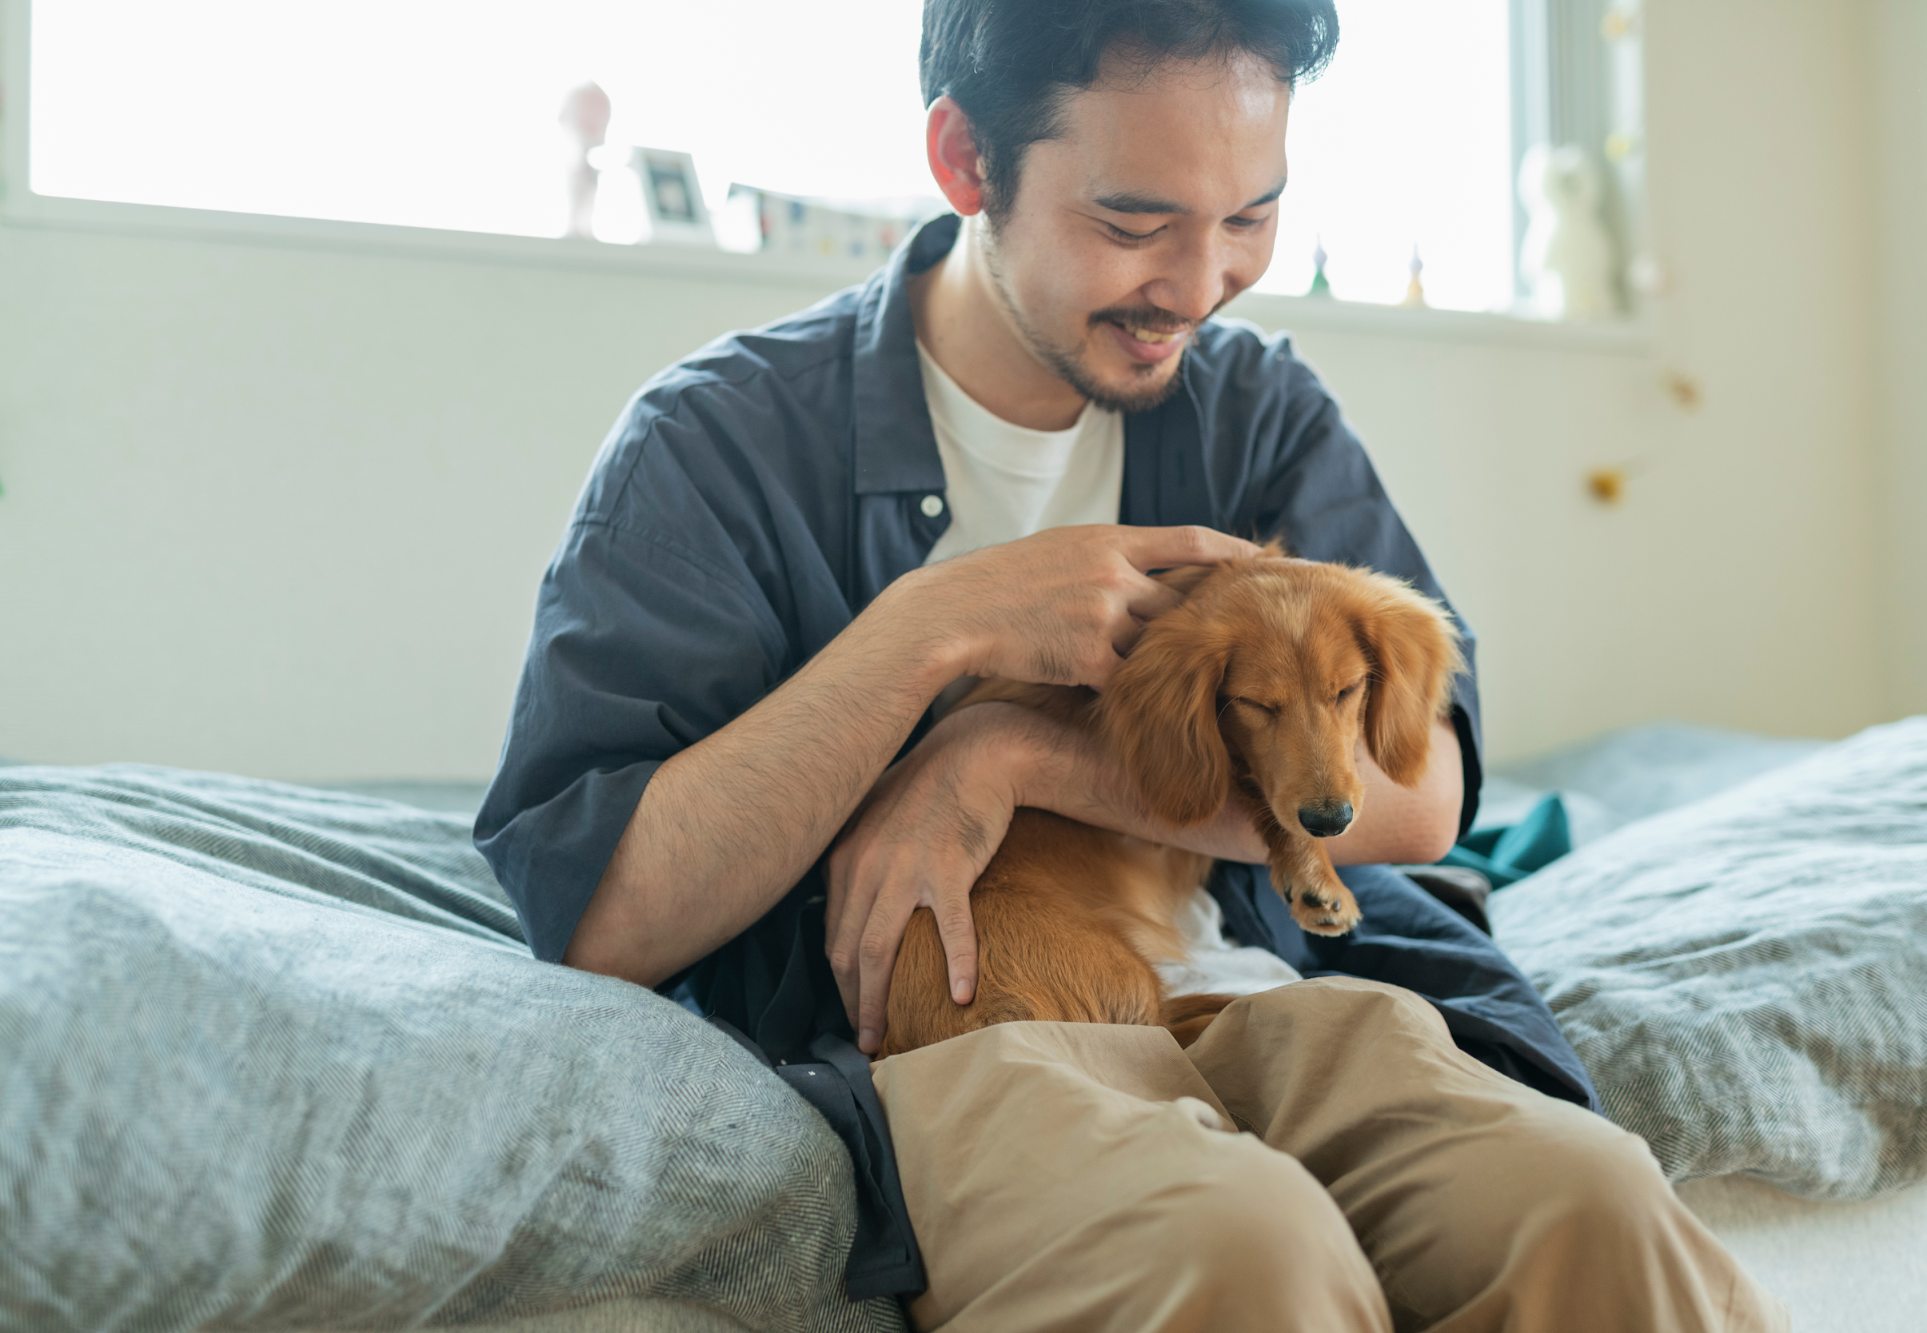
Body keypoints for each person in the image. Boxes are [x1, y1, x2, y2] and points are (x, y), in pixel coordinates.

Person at [477, 1, 1787, 1327]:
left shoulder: (1257, 413)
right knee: (1241, 1248)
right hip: (975, 1040)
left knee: (1590, 1201)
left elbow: (1420, 792)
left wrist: (1008, 755)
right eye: (1132, 223)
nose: (1199, 283)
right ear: (967, 165)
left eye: (1249, 218)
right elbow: (600, 915)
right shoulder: (716, 448)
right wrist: (931, 630)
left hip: (1260, 988)